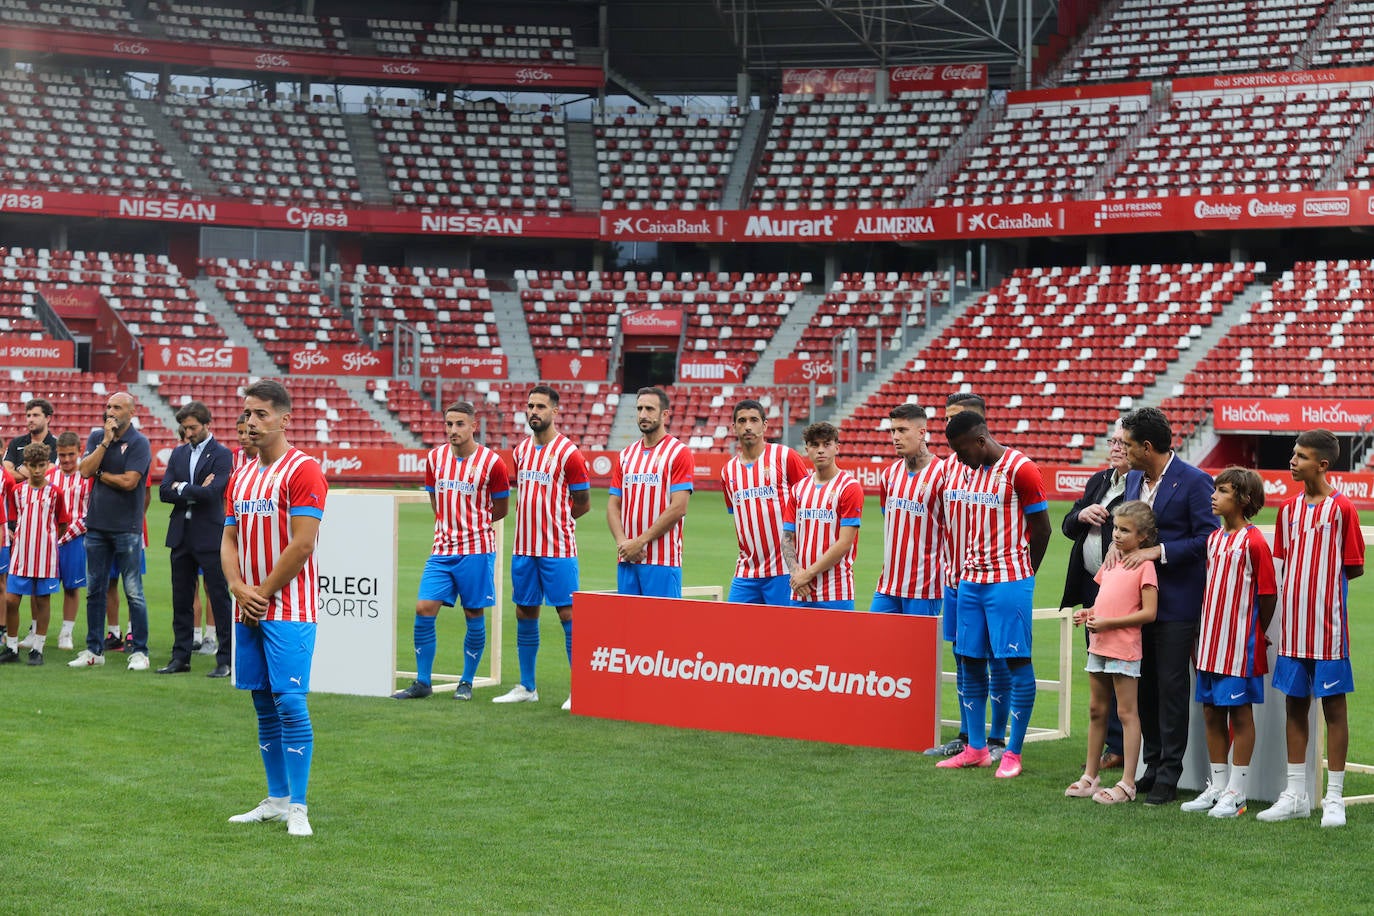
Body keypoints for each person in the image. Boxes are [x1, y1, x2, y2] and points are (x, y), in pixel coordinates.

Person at [222, 379, 328, 838]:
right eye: (248, 414)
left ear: (286, 419)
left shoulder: (304, 470)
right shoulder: (241, 472)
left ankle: (299, 807)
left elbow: (303, 543)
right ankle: (276, 799)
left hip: (290, 608)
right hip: (248, 604)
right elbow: (229, 538)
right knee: (263, 704)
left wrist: (258, 592)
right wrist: (235, 587)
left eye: (262, 414)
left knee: (289, 702)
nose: (252, 422)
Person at [1258, 429, 1366, 827]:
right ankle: (1296, 793)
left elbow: (1354, 565)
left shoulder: (1343, 510)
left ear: (1322, 464)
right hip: (1294, 629)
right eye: (1293, 454)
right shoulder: (1287, 511)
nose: (1292, 461)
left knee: (1334, 708)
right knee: (1294, 705)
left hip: (1329, 629)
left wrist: (1323, 589)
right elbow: (1286, 560)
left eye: (1301, 456)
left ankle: (1334, 797)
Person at [936, 409, 1050, 778]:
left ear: (981, 441)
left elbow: (1043, 530)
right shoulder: (971, 470)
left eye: (961, 449)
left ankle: (1013, 752)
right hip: (970, 581)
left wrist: (1023, 576)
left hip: (1008, 583)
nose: (958, 457)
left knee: (1016, 664)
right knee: (968, 662)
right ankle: (976, 749)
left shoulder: (1022, 469)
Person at [1118, 406, 1218, 805]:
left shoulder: (1195, 481)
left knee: (1172, 688)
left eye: (1127, 444)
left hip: (1177, 604)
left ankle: (1170, 775)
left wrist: (1158, 552)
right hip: (1135, 604)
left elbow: (1208, 539)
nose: (1122, 450)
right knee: (1145, 689)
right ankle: (1152, 764)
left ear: (1146, 446)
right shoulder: (1131, 481)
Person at [392, 401, 509, 702]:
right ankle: (422, 682)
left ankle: (466, 682)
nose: (453, 430)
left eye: (459, 424)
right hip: (442, 549)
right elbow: (435, 501)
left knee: (473, 612)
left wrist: (472, 526)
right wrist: (450, 527)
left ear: (473, 425)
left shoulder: (492, 463)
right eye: (449, 424)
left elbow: (501, 508)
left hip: (477, 550)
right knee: (423, 608)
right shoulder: (434, 458)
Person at [1180, 468, 1275, 818]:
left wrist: (1256, 630)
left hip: (1239, 647)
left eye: (1222, 491)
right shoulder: (1214, 540)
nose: (1213, 496)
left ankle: (1238, 791)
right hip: (1209, 643)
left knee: (1241, 712)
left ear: (1243, 499)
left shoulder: (1254, 541)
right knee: (1210, 711)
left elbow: (1267, 593)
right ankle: (1218, 786)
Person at [926, 393, 1012, 760]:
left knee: (999, 659)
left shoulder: (1004, 467)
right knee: (964, 659)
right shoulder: (947, 468)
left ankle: (996, 739)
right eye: (946, 418)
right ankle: (967, 735)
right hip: (957, 581)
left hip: (995, 581)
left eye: (956, 417)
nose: (948, 424)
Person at [492, 385, 588, 709]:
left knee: (568, 614)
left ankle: (582, 690)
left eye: (541, 406)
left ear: (555, 412)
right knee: (524, 611)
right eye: (530, 405)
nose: (533, 411)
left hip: (558, 549)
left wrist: (558, 522)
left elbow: (583, 503)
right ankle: (527, 686)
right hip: (523, 548)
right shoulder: (520, 451)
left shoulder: (569, 453)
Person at [1065, 501, 1158, 804]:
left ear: (1143, 537)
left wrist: (1108, 622)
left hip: (1124, 649)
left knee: (1126, 713)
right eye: (1116, 528)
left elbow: (1149, 614)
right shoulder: (1111, 561)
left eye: (1125, 530)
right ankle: (1091, 775)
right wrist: (1089, 614)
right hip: (1099, 645)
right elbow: (1105, 600)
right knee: (1096, 710)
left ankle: (1128, 783)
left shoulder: (1145, 566)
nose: (1116, 534)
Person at [1058, 421, 1131, 769]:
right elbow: (1068, 524)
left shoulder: (1139, 486)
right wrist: (1082, 514)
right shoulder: (1099, 481)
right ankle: (1111, 744)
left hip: (1122, 590)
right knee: (1099, 665)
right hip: (1092, 585)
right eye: (1112, 441)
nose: (1114, 447)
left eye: (1121, 442)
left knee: (1120, 668)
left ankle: (1120, 746)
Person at [69, 391, 152, 671]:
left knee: (133, 591)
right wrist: (105, 442)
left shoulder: (139, 443)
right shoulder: (96, 437)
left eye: (117, 407)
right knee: (95, 590)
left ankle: (140, 650)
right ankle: (94, 649)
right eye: (108, 407)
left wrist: (101, 475)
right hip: (96, 526)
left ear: (131, 411)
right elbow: (84, 471)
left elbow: (130, 482)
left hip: (126, 528)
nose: (111, 411)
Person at [158, 402, 234, 678]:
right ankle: (180, 657)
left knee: (218, 596)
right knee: (181, 598)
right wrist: (192, 489)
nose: (188, 433)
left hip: (209, 534)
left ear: (206, 424)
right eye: (184, 428)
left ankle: (226, 658)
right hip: (180, 534)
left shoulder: (222, 455)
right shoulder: (178, 454)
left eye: (192, 427)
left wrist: (181, 488)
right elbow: (164, 491)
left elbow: (214, 493)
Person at [607, 387, 693, 598]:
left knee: (661, 629)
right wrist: (623, 544)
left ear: (664, 414)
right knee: (630, 628)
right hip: (627, 559)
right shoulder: (626, 455)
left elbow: (679, 507)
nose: (643, 415)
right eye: (639, 409)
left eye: (650, 409)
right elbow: (613, 505)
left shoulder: (678, 452)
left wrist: (640, 541)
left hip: (662, 561)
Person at [721, 398, 807, 606]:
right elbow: (739, 517)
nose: (748, 426)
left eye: (754, 420)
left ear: (765, 425)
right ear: (734, 427)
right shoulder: (728, 471)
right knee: (732, 633)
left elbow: (809, 502)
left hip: (784, 571)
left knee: (782, 636)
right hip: (746, 571)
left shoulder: (785, 457)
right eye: (742, 421)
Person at [871, 403, 945, 615]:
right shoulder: (889, 475)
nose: (895, 436)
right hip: (887, 585)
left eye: (902, 430)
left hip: (924, 588)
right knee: (873, 646)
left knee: (916, 649)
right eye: (893, 430)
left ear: (922, 433)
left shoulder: (943, 475)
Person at [0, 442, 70, 665]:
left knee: (42, 601)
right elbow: (14, 519)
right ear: (26, 466)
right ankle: (11, 647)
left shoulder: (56, 493)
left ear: (48, 464)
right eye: (33, 466)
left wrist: (47, 541)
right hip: (20, 556)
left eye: (41, 465)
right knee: (11, 601)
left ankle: (37, 649)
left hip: (45, 558)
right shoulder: (17, 491)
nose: (37, 470)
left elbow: (62, 524)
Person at [785, 422, 863, 610]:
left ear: (837, 447)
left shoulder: (849, 487)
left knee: (837, 641)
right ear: (807, 450)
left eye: (826, 444)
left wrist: (807, 574)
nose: (821, 450)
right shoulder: (798, 489)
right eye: (814, 445)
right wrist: (796, 574)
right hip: (801, 591)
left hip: (836, 593)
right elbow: (787, 538)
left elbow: (845, 543)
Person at [48, 431, 90, 651]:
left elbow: (92, 512)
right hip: (49, 539)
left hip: (75, 539)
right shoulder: (49, 475)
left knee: (72, 588)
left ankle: (66, 633)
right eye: (62, 455)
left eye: (71, 455)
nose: (66, 460)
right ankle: (37, 632)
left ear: (79, 451)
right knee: (41, 587)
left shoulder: (87, 476)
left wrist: (71, 531)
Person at [3, 397, 58, 481]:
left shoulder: (56, 444)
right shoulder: (16, 443)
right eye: (28, 415)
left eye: (35, 415)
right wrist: (33, 476)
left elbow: (49, 474)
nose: (30, 419)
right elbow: (6, 471)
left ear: (48, 418)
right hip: (20, 493)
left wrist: (18, 467)